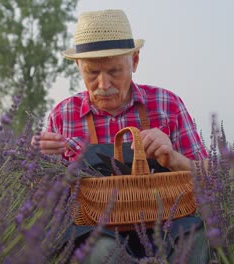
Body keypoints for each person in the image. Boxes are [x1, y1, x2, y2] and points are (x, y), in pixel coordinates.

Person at [31, 9, 210, 264]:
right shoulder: (63, 114)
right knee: (101, 252)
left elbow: (210, 177)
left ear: (134, 61)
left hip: (167, 225)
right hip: (94, 230)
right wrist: (38, 163)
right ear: (77, 66)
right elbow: (44, 199)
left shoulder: (166, 104)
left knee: (195, 238)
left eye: (114, 71)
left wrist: (172, 158)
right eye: (92, 73)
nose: (103, 84)